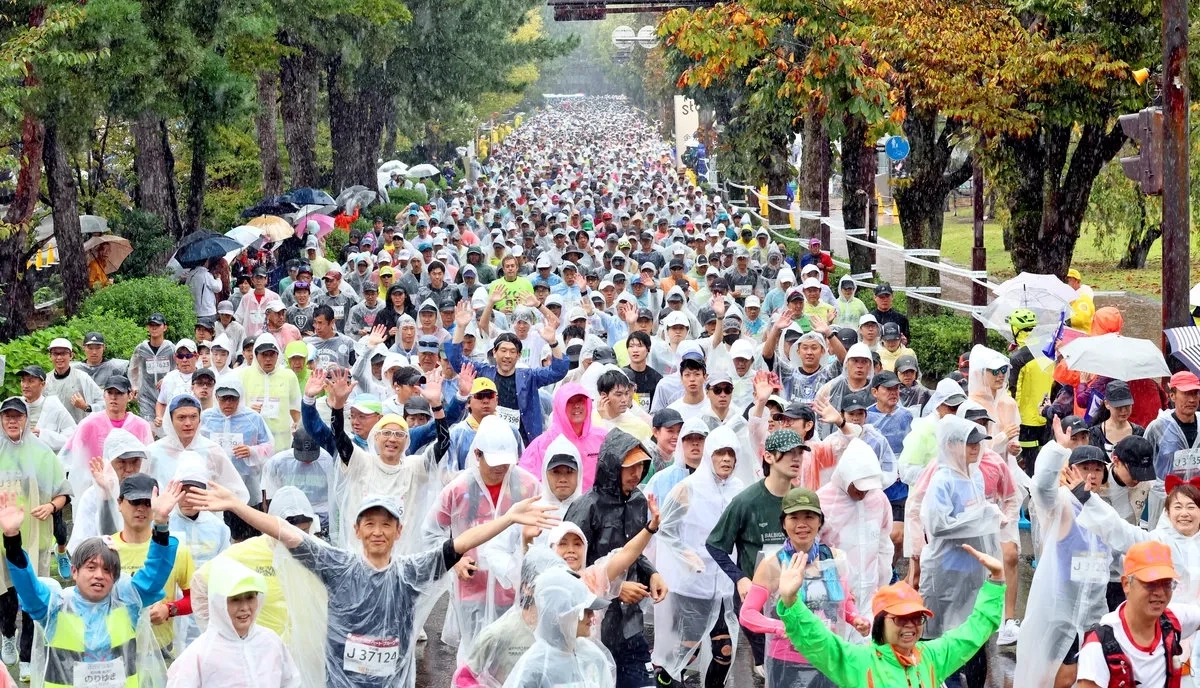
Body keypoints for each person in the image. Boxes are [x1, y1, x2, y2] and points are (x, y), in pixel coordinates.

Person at [187, 480, 558, 688]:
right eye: (370, 523)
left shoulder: (410, 572)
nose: (377, 531)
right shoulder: (337, 565)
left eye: (386, 524)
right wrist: (237, 505)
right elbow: (287, 534)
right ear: (357, 529)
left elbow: (460, 542)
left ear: (399, 531)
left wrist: (508, 517)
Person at [1, 484, 181, 688]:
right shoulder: (54, 607)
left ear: (115, 577)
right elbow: (28, 588)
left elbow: (154, 576)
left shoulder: (128, 601)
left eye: (107, 570)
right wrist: (12, 537)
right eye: (91, 567)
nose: (99, 575)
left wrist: (161, 524)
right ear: (74, 571)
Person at [773, 542, 1004, 687]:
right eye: (901, 619)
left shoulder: (932, 656)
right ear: (881, 623)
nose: (911, 626)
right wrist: (792, 602)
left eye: (917, 618)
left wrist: (996, 579)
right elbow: (818, 641)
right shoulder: (860, 662)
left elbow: (974, 631)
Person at [426, 414, 541, 665]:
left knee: (513, 659)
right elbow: (431, 532)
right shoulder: (458, 489)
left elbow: (542, 533)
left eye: (506, 462)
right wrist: (454, 561)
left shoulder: (528, 487)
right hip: (472, 588)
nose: (501, 468)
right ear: (477, 454)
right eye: (494, 461)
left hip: (514, 590)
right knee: (474, 657)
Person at [565, 429, 668, 688]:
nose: (636, 474)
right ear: (612, 467)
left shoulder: (637, 501)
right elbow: (568, 567)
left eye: (641, 466)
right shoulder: (586, 507)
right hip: (593, 627)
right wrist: (615, 588)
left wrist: (651, 572)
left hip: (631, 624)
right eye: (629, 467)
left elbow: (632, 551)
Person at [1014, 418, 1111, 688]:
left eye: (1096, 469)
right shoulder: (1061, 504)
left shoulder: (1104, 510)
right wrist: (1059, 448)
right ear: (1070, 470)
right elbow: (1042, 487)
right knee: (1059, 676)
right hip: (1060, 607)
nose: (1090, 475)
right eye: (1084, 468)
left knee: (1086, 675)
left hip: (1092, 611)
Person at [652, 426, 751, 688]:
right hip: (691, 587)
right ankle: (664, 681)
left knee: (724, 651)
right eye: (720, 453)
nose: (726, 459)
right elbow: (665, 529)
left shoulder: (740, 490)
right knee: (686, 652)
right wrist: (686, 556)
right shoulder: (688, 488)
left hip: (724, 588)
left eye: (731, 453)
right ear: (709, 456)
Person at [705, 429, 808, 679]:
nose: (796, 459)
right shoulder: (746, 501)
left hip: (796, 599)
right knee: (770, 668)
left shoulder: (803, 499)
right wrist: (740, 577)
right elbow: (715, 544)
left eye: (799, 453)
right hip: (759, 602)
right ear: (769, 457)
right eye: (788, 454)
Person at [917, 416, 1002, 688]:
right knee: (943, 637)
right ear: (952, 445)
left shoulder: (975, 475)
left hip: (972, 570)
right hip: (945, 570)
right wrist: (982, 516)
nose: (976, 448)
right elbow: (938, 525)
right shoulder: (942, 480)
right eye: (970, 443)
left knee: (973, 632)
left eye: (979, 443)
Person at [0, 396, 71, 680]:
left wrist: (51, 506)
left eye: (17, 416)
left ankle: (28, 654)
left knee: (32, 595)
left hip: (34, 537)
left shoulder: (42, 453)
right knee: (5, 594)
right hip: (2, 539)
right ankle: (7, 634)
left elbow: (63, 491)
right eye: (7, 417)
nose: (12, 421)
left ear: (27, 419)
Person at [1076, 541, 1200, 688]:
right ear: (1126, 584)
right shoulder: (1099, 645)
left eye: (1166, 583)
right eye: (1150, 583)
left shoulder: (1173, 619)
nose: (1160, 593)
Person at [447, 301, 568, 446]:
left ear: (518, 355)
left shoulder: (529, 376)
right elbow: (456, 361)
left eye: (512, 352)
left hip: (524, 442)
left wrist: (553, 342)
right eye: (503, 351)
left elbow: (558, 371)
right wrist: (460, 328)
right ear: (494, 352)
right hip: (488, 439)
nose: (507, 356)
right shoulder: (484, 372)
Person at [166, 559, 300, 688]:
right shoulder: (200, 654)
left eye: (250, 598)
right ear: (219, 603)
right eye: (235, 600)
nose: (245, 607)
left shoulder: (270, 642)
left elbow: (291, 682)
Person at [816, 439, 894, 622]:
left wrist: (883, 583)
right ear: (845, 477)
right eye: (859, 488)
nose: (863, 494)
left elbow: (884, 544)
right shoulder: (823, 500)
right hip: (833, 595)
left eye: (867, 489)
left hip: (870, 594)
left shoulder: (879, 499)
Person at [499, 567, 616, 688]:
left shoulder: (593, 656)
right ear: (560, 613)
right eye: (585, 610)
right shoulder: (536, 666)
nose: (592, 615)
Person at [517, 383, 607, 490]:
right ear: (559, 407)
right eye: (570, 402)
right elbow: (525, 484)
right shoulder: (541, 444)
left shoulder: (603, 438)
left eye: (580, 400)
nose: (577, 406)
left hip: (596, 505)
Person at [130, 313, 177, 425]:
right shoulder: (141, 349)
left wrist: (167, 379)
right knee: (148, 427)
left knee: (166, 426)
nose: (154, 328)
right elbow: (133, 367)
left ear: (165, 327)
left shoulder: (171, 348)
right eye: (151, 325)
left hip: (166, 395)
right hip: (146, 395)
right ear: (147, 327)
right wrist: (134, 386)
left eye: (157, 325)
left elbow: (179, 368)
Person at [44, 337, 104, 424]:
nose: (59, 357)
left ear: (71, 356)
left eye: (64, 353)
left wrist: (85, 406)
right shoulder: (45, 381)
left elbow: (103, 402)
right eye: (55, 354)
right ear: (50, 356)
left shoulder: (82, 378)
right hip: (54, 431)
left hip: (78, 430)